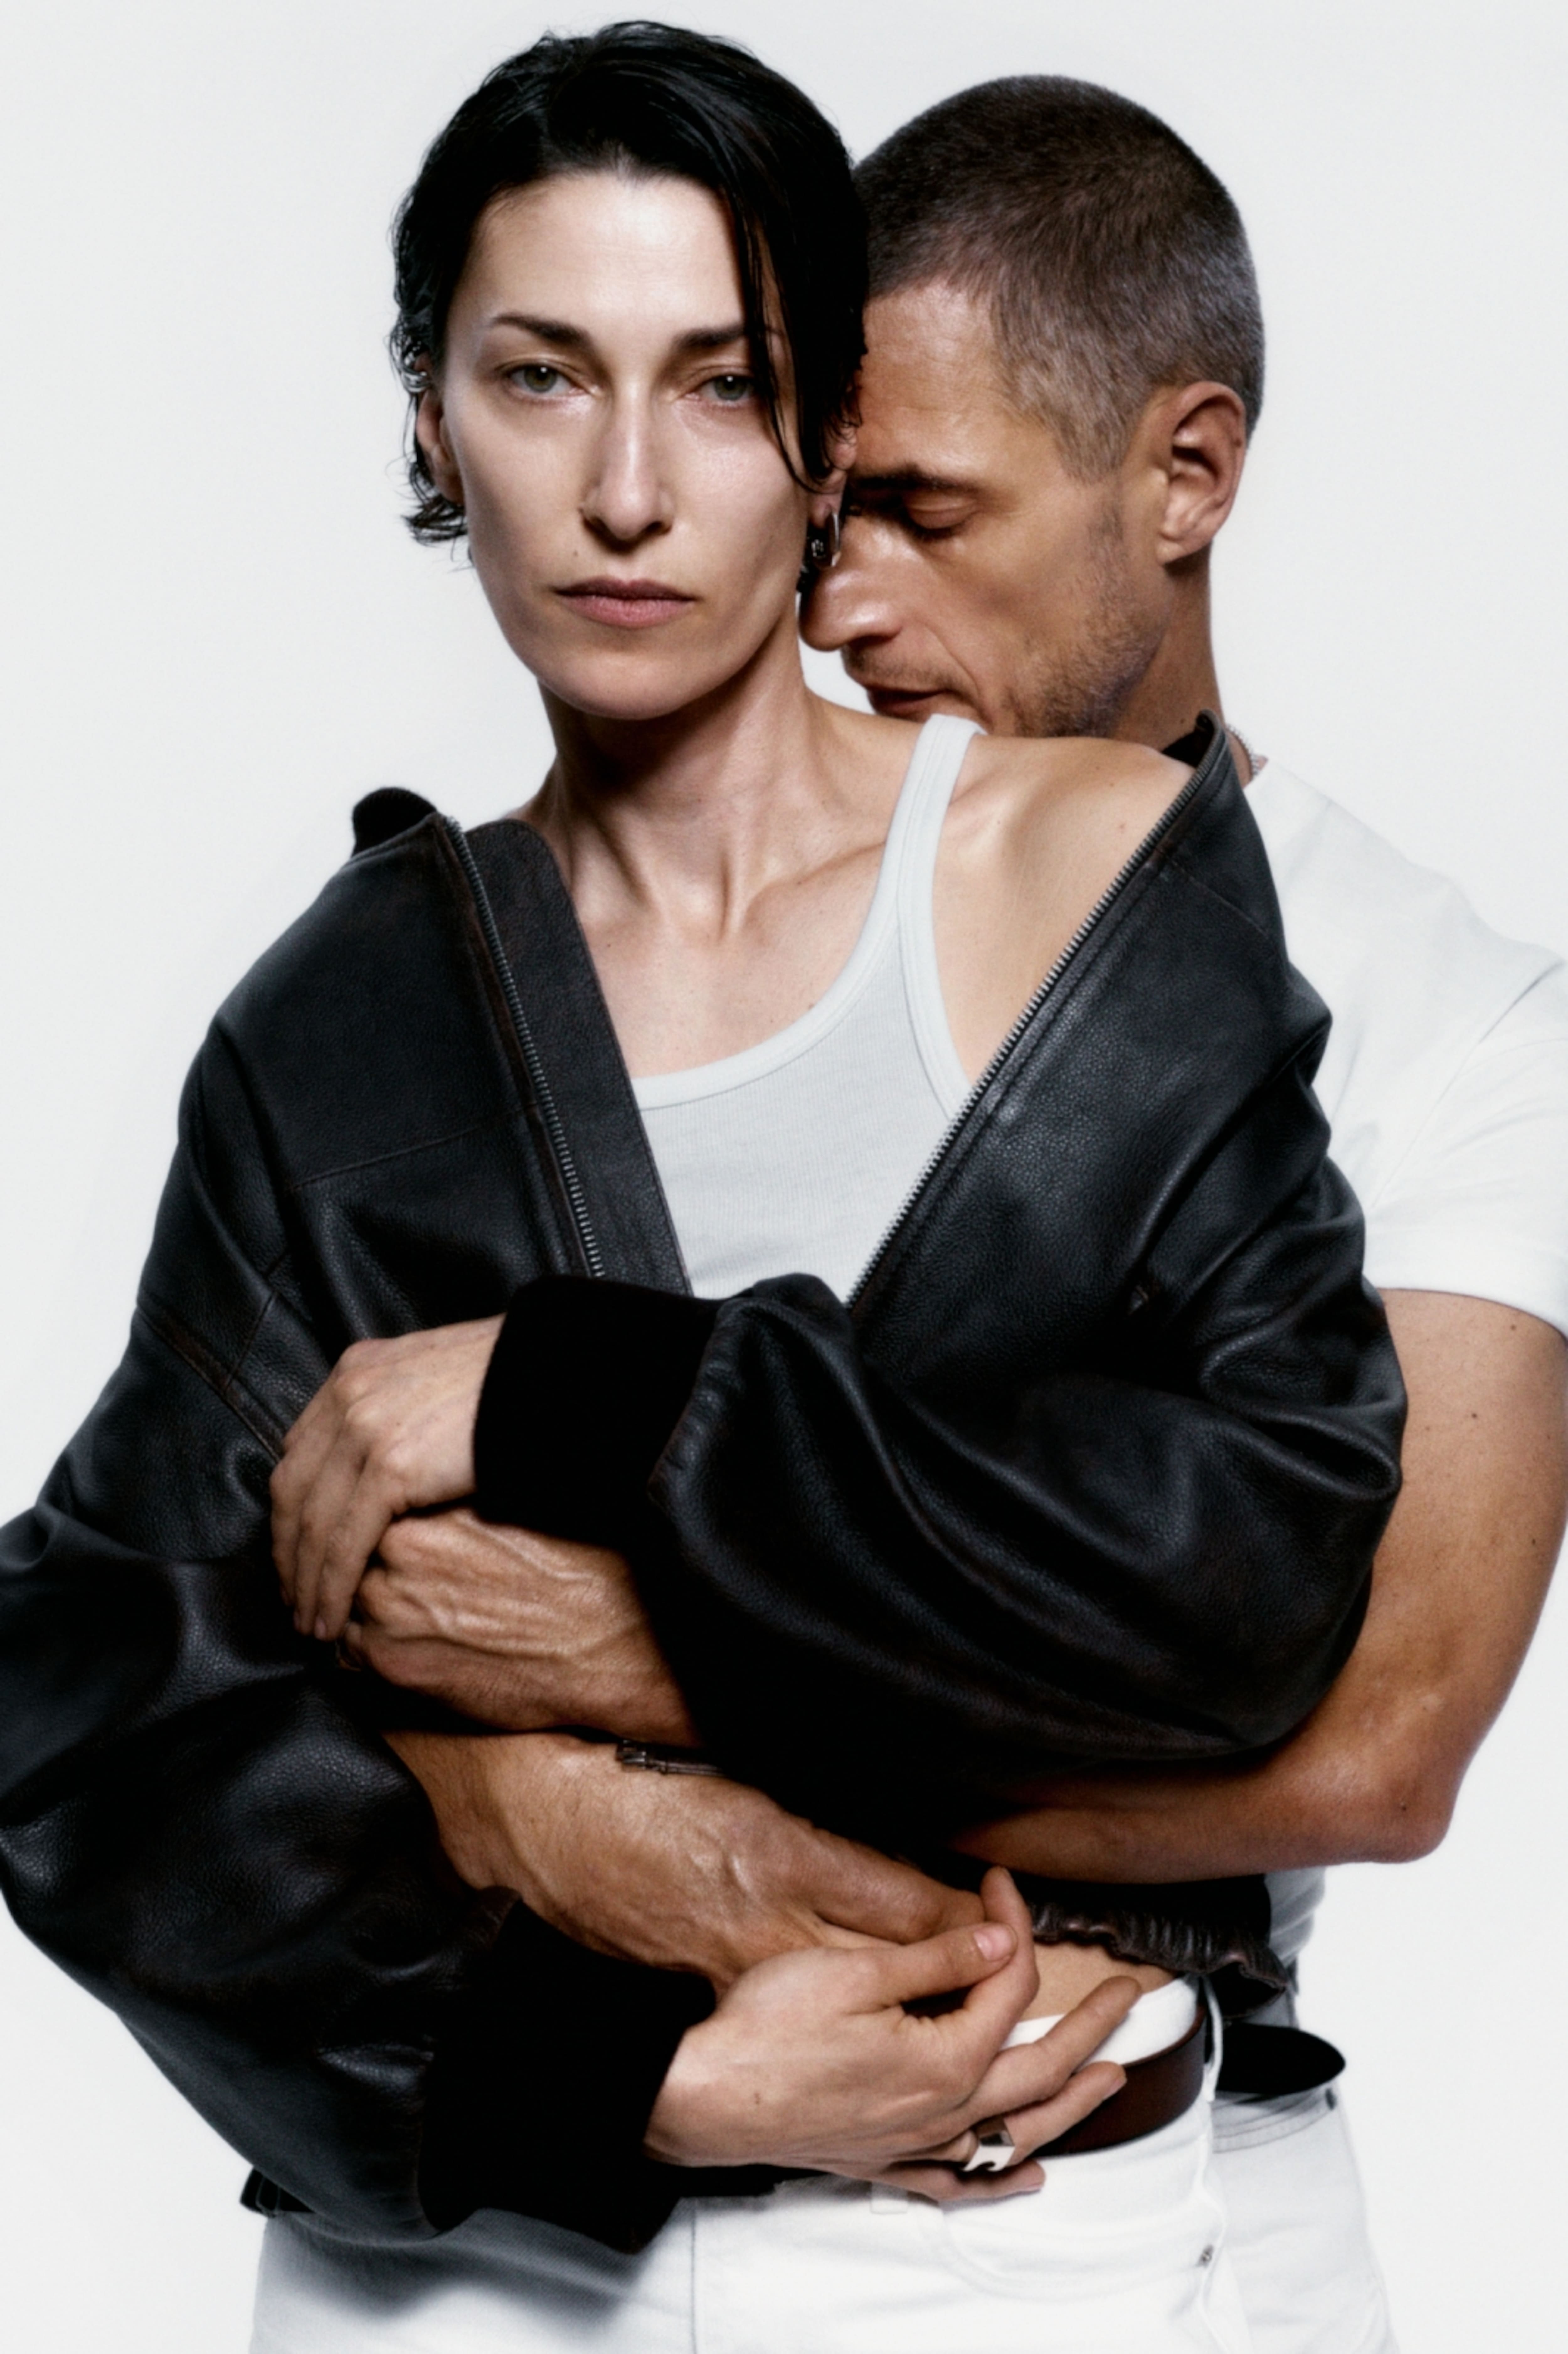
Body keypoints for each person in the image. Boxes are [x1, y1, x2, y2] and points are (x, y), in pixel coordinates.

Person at [0, 26, 1402, 2354]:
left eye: (720, 385)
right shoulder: (346, 1016)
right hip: (464, 2282)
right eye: (540, 378)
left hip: (1001, 2252)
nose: (627, 491)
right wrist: (622, 2075)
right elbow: (98, 1696)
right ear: (432, 427)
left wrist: (591, 1398)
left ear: (827, 435)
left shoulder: (1089, 879)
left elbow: (1254, 1564)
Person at [790, 72, 1568, 2353]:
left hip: (1186, 2186)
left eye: (924, 512)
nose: (839, 606)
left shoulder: (1450, 1011)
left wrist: (641, 1692)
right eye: (824, 516)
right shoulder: (678, 926)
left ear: (1186, 473)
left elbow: (1380, 1740)